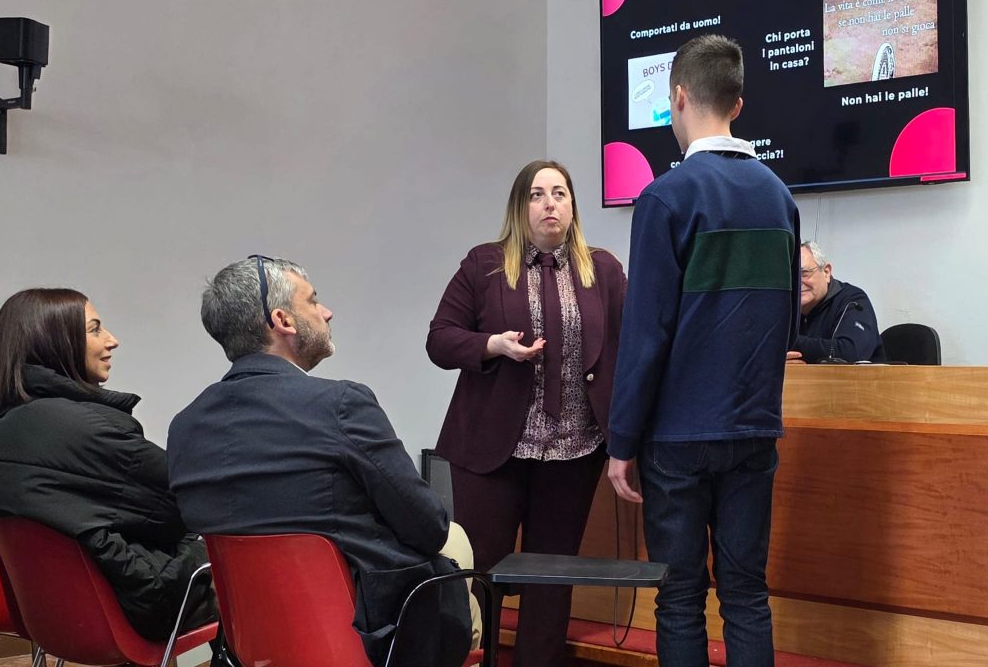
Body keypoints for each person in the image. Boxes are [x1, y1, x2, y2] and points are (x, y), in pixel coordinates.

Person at [167, 257, 476, 667]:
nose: (326, 312)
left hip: (251, 642)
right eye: (313, 301)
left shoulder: (185, 426)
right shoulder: (341, 404)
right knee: (455, 543)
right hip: (365, 638)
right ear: (282, 320)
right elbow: (428, 526)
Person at [607, 35, 800, 667]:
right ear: (738, 105)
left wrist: (621, 442)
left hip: (678, 437)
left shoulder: (666, 196)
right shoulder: (779, 198)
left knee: (680, 597)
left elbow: (646, 334)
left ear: (679, 98)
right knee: (747, 594)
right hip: (754, 428)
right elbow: (787, 327)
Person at [428, 160, 626, 666]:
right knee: (481, 573)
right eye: (537, 194)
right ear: (520, 207)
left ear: (573, 205)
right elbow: (440, 339)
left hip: (574, 450)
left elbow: (629, 347)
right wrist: (491, 345)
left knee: (551, 581)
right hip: (493, 449)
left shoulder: (603, 270)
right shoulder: (485, 264)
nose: (549, 203)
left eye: (559, 193)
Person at [0, 288, 216, 642]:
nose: (112, 340)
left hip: (50, 615)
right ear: (54, 343)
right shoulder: (92, 430)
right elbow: (189, 506)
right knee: (238, 544)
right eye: (95, 330)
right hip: (140, 607)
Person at [785, 240, 886, 364]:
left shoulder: (853, 302)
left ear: (826, 272)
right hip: (802, 377)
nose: (796, 282)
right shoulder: (782, 307)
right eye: (788, 276)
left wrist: (783, 343)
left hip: (857, 377)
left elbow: (850, 353)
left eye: (804, 273)